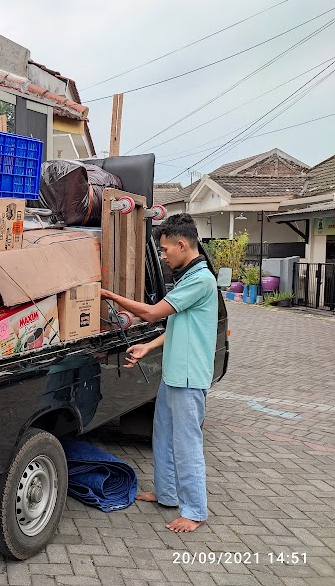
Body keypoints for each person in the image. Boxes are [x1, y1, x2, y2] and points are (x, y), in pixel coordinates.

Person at [100, 213, 218, 533]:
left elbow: (153, 313)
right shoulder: (188, 277)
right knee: (163, 436)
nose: (163, 256)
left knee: (186, 443)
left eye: (165, 250)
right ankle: (166, 494)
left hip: (189, 376)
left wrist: (109, 295)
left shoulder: (200, 279)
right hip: (174, 372)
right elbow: (178, 324)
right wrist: (148, 347)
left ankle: (194, 511)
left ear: (183, 244)